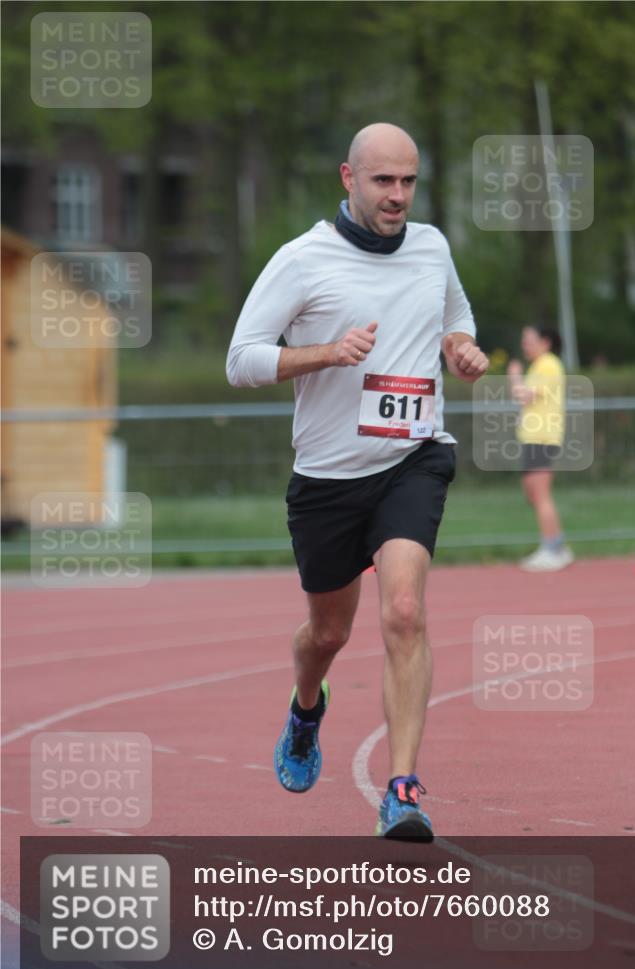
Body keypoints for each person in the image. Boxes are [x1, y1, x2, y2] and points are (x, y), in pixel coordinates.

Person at [226, 122, 488, 840]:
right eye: (383, 181)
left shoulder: (431, 246)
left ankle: (400, 789)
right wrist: (324, 354)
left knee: (404, 611)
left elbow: (454, 315)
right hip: (328, 479)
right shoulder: (303, 260)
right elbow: (241, 359)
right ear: (348, 178)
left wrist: (461, 348)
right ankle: (306, 707)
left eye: (407, 181)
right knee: (326, 633)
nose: (397, 195)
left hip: (413, 456)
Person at [507, 324, 574, 572]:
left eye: (529, 340)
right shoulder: (538, 366)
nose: (525, 344)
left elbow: (525, 395)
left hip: (543, 437)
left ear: (545, 342)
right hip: (533, 436)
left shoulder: (548, 364)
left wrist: (514, 376)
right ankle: (556, 545)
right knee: (532, 493)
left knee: (541, 493)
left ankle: (553, 548)